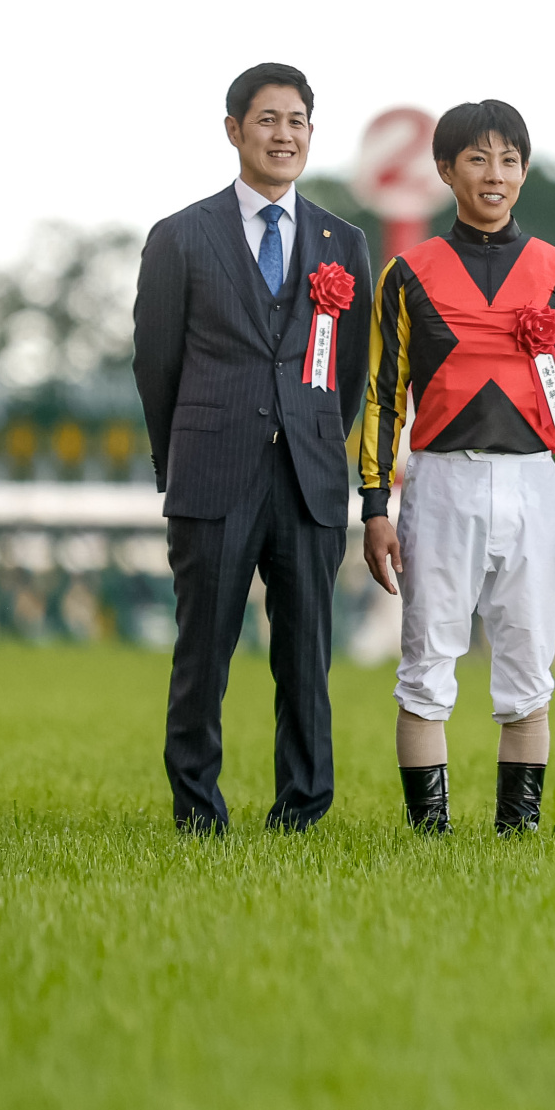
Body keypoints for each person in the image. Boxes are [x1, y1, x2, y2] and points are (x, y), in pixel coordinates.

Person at [359, 100, 555, 835]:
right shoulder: (408, 274)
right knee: (426, 664)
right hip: (441, 479)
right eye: (477, 159)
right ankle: (430, 837)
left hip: (534, 481)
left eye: (508, 159)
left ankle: (518, 833)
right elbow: (382, 396)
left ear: (525, 170)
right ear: (446, 171)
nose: (494, 174)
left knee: (529, 665)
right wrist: (374, 503)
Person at [133, 63, 374, 833]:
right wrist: (178, 457)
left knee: (306, 656)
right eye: (268, 120)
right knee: (204, 651)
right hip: (213, 470)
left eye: (297, 121)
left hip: (308, 477)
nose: (284, 135)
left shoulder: (345, 241)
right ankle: (197, 807)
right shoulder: (181, 236)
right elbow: (156, 363)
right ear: (234, 129)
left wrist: (317, 442)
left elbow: (353, 367)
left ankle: (302, 807)